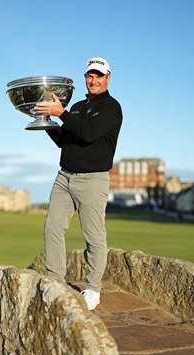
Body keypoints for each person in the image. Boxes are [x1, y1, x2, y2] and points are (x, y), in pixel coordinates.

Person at [34, 57, 123, 310]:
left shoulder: (111, 108)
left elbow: (88, 134)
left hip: (92, 180)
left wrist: (60, 112)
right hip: (64, 177)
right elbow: (66, 140)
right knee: (52, 228)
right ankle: (55, 283)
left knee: (93, 236)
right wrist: (46, 121)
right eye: (89, 75)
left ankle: (93, 288)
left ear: (108, 78)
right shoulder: (76, 106)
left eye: (98, 75)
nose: (93, 80)